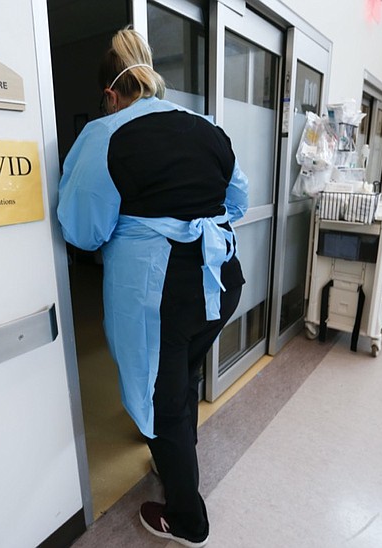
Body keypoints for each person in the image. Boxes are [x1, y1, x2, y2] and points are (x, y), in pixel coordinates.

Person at [57, 28, 248, 548]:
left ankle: (189, 521)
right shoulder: (206, 126)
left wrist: (146, 227)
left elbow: (82, 229)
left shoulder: (104, 134)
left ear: (110, 94)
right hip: (219, 280)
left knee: (163, 398)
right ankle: (174, 455)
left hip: (159, 294)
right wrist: (191, 219)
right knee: (180, 379)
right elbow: (238, 201)